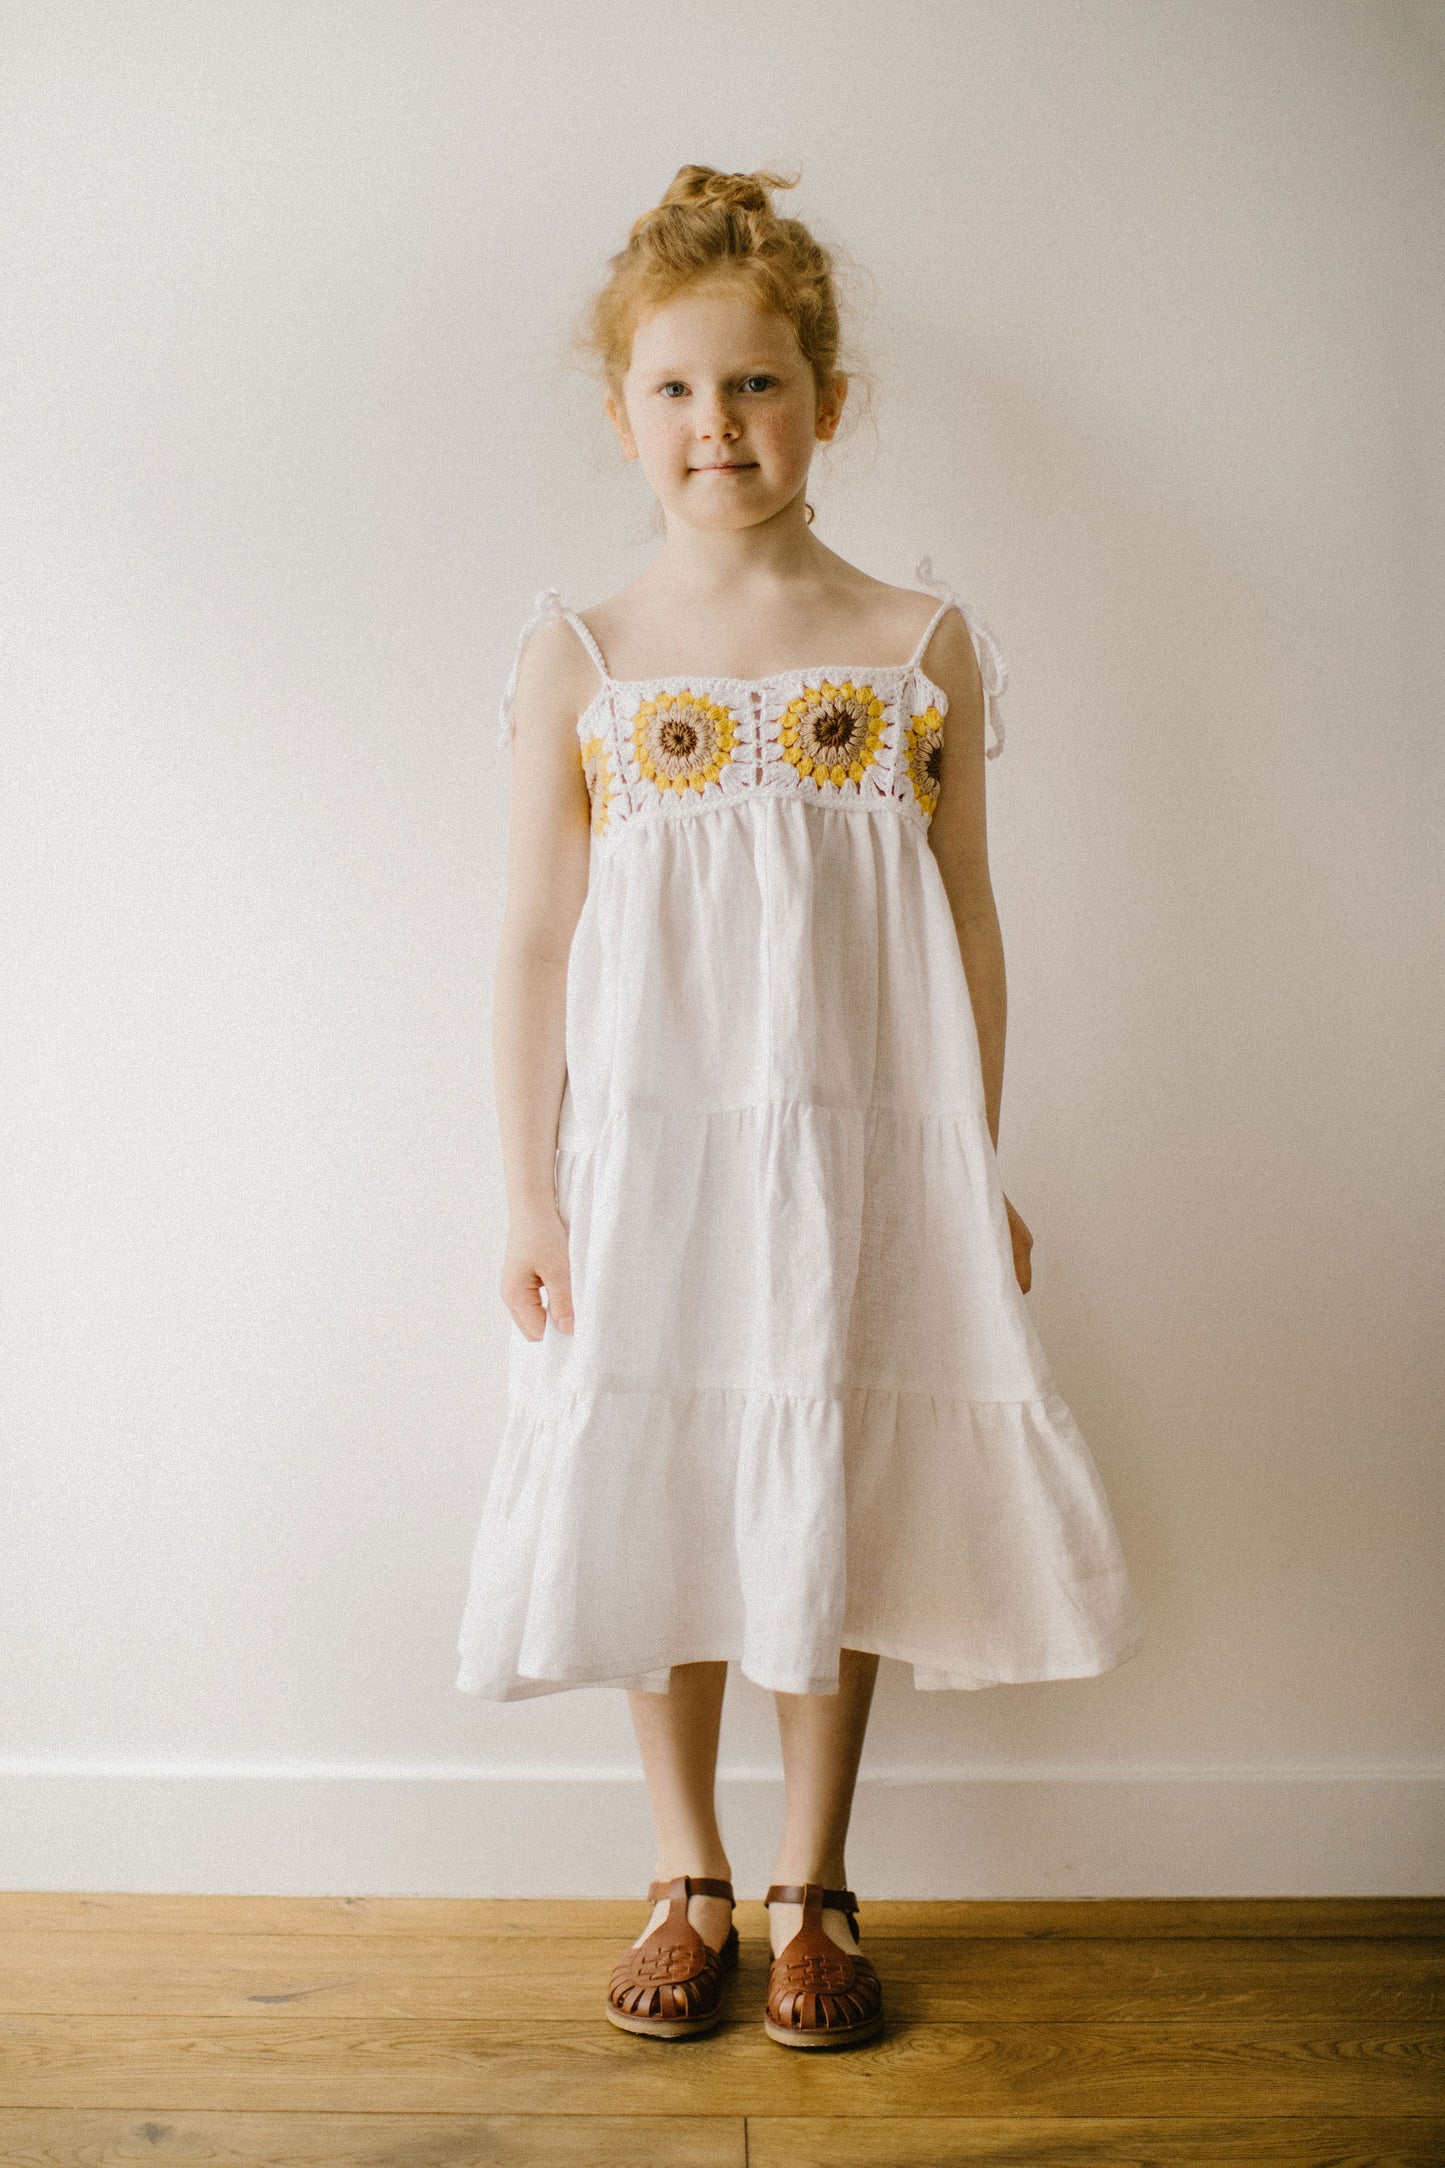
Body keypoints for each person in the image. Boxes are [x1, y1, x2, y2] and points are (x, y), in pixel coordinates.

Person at [457, 164, 1143, 2049]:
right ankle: (681, 1868)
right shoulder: (579, 658)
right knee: (667, 1477)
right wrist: (529, 1195)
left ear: (824, 399)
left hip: (853, 1155)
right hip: (651, 1162)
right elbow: (530, 939)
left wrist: (965, 1164)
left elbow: (967, 917)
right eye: (675, 391)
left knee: (819, 1473)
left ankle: (812, 1880)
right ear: (623, 418)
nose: (717, 427)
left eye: (754, 386)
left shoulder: (915, 644)